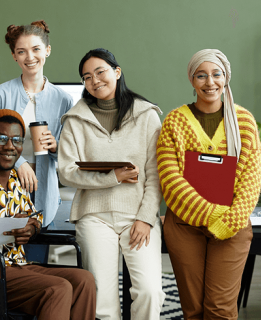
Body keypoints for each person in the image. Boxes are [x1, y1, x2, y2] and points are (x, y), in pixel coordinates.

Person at [0, 109, 96, 320]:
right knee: (57, 288)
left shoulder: (17, 181)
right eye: (1, 138)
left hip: (18, 265)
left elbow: (33, 218)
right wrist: (0, 230)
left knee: (84, 280)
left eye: (16, 140)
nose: (9, 146)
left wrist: (30, 229)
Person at [58, 48, 165, 320]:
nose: (94, 80)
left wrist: (145, 218)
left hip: (137, 218)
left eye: (100, 72)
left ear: (117, 72)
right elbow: (66, 173)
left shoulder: (147, 115)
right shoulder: (74, 120)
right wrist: (112, 177)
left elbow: (155, 175)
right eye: (86, 77)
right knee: (102, 300)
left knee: (150, 292)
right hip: (93, 216)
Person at [156, 49, 261, 319]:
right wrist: (213, 214)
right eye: (201, 75)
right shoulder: (175, 121)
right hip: (184, 226)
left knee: (220, 309)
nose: (209, 82)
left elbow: (251, 180)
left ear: (226, 78)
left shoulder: (244, 122)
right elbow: (170, 179)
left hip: (233, 224)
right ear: (192, 80)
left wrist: (229, 219)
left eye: (216, 74)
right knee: (193, 310)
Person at [0, 20, 73, 238]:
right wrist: (19, 163)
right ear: (14, 56)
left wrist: (56, 146)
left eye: (36, 49)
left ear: (47, 50)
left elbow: (70, 154)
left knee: (38, 259)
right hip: (2, 187)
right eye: (21, 51)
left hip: (45, 189)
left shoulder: (63, 99)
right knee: (7, 256)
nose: (30, 57)